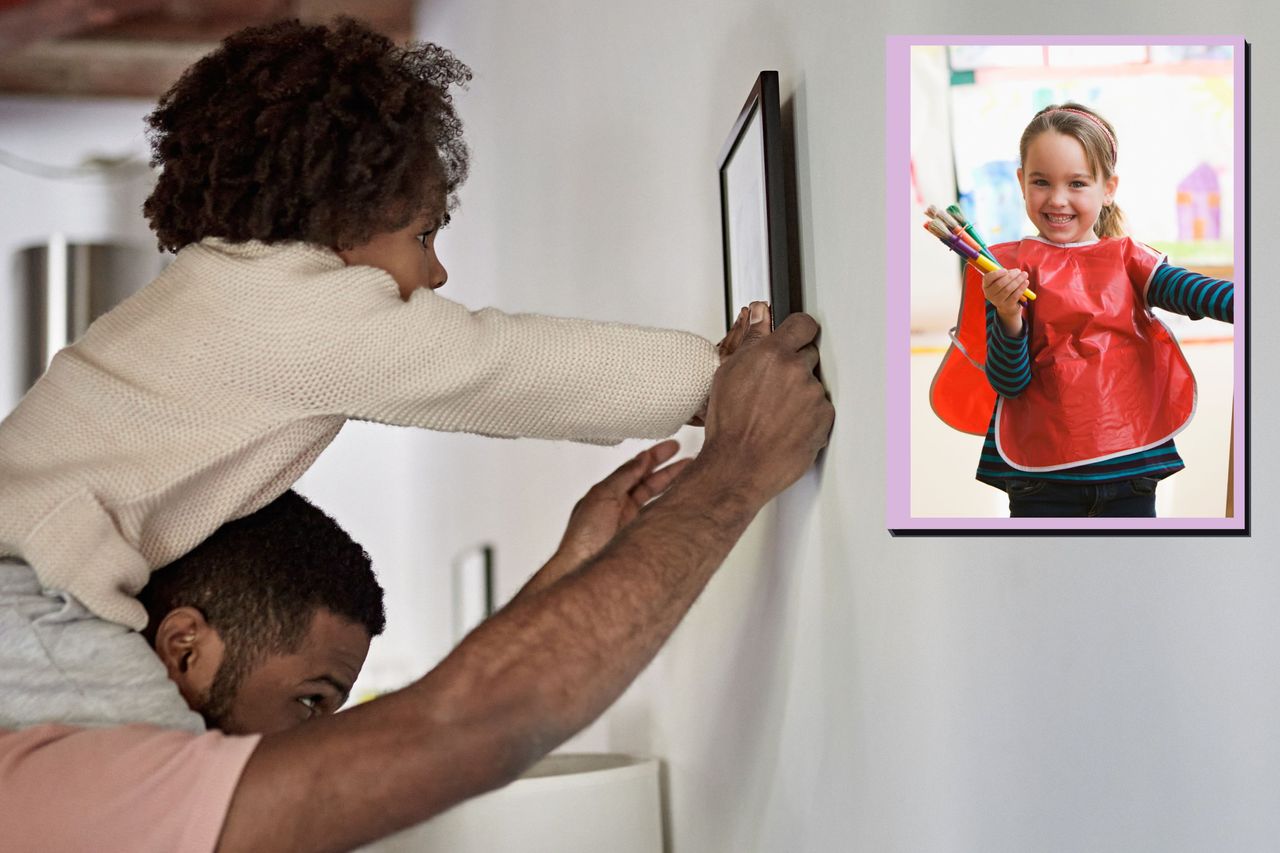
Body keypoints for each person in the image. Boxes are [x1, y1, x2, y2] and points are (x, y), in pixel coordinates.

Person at [0, 16, 752, 730]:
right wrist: (715, 379)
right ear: (340, 221)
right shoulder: (294, 313)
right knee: (187, 793)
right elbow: (501, 367)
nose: (437, 268)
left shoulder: (221, 290)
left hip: (38, 582)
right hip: (31, 596)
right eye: (423, 234)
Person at [0, 304, 835, 852]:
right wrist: (736, 465)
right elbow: (457, 726)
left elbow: (430, 720)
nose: (321, 736)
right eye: (309, 701)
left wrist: (577, 563)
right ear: (184, 649)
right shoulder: (71, 794)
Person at [938, 102, 1233, 518]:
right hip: (1039, 480)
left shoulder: (1129, 259)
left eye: (1077, 183)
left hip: (1129, 469)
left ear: (1108, 187)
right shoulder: (1004, 269)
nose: (1057, 199)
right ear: (1022, 182)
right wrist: (1008, 316)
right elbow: (1010, 384)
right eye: (1041, 181)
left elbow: (1198, 293)